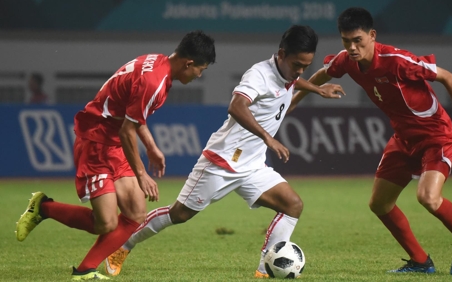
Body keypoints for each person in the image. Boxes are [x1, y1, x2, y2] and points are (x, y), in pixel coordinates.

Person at [104, 25, 345, 278]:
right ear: (282, 54)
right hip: (222, 161)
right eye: (297, 64)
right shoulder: (259, 75)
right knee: (179, 214)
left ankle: (264, 269)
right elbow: (236, 106)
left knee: (293, 205)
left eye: (305, 66)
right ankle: (122, 246)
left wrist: (317, 88)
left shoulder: (288, 76)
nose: (299, 71)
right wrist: (267, 138)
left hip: (252, 165)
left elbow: (292, 81)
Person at [289, 7, 452, 276]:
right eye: (346, 41)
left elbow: (448, 77)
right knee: (379, 204)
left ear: (372, 35)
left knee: (427, 197)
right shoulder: (346, 61)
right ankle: (420, 262)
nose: (352, 48)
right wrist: (295, 102)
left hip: (436, 136)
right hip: (403, 139)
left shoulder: (397, 61)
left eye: (358, 40)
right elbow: (322, 73)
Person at [15, 30, 216, 280]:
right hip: (96, 142)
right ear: (189, 63)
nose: (199, 75)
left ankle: (84, 271)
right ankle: (43, 208)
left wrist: (151, 147)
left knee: (135, 214)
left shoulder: (155, 63)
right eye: (201, 70)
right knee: (106, 223)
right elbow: (126, 130)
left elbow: (132, 116)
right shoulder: (154, 82)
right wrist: (142, 174)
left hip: (113, 142)